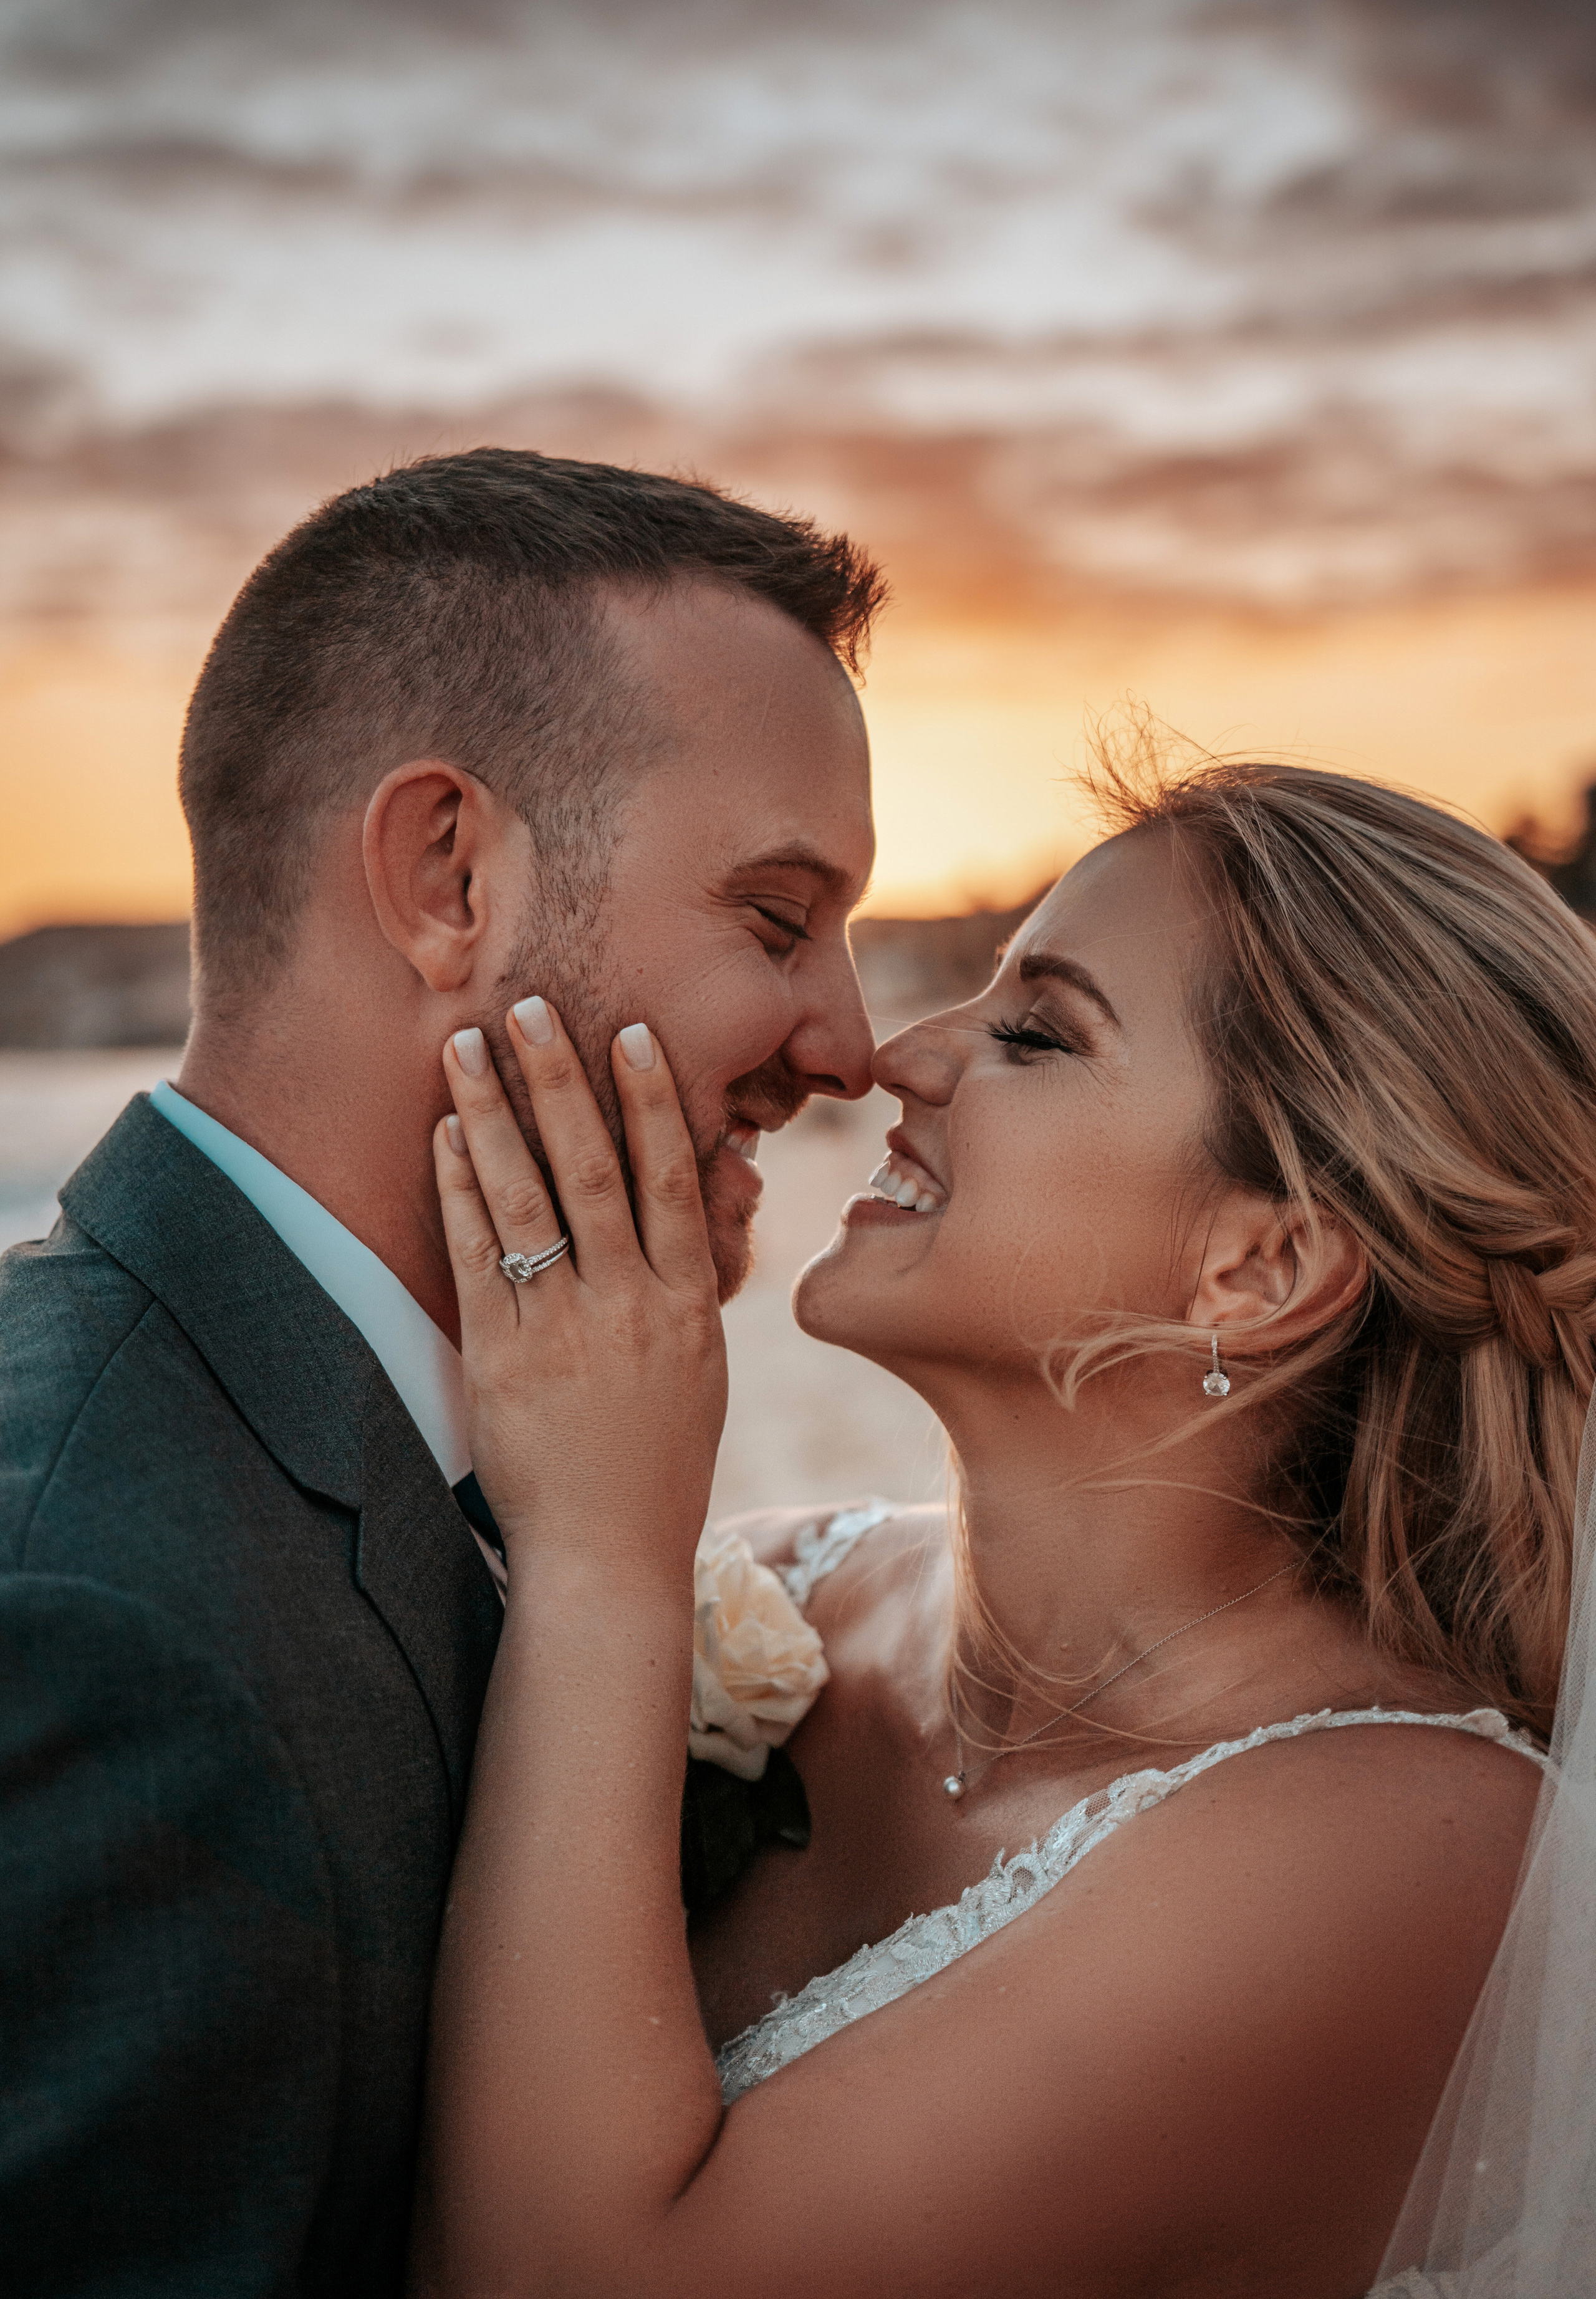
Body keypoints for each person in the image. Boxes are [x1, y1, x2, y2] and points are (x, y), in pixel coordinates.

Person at [409, 747, 1596, 2298]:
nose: (898, 1054)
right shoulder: (777, 1590)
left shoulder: (1413, 1850)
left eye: (1035, 1031)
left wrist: (597, 1558)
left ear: (1261, 1264)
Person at [0, 448, 883, 2294]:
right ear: (448, 877)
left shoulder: (373, 1444)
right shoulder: (94, 1614)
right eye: (781, 920)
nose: (851, 1043)